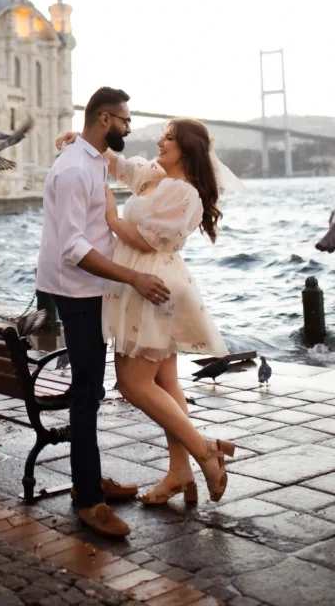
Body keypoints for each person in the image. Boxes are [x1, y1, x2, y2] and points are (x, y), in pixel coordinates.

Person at [56, 117, 239, 506]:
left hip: (150, 285)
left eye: (169, 138)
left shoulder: (184, 192)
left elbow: (145, 241)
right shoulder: (156, 175)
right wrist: (83, 141)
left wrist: (111, 220)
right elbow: (118, 165)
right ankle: (180, 472)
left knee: (133, 385)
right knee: (167, 383)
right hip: (147, 283)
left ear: (186, 149)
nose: (160, 141)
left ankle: (204, 451)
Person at [36, 87, 170, 538]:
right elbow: (75, 248)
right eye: (126, 120)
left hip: (88, 289)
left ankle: (88, 480)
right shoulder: (75, 170)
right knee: (88, 391)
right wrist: (133, 278)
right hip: (78, 292)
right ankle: (89, 500)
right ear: (106, 120)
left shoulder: (87, 159)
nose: (131, 128)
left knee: (90, 390)